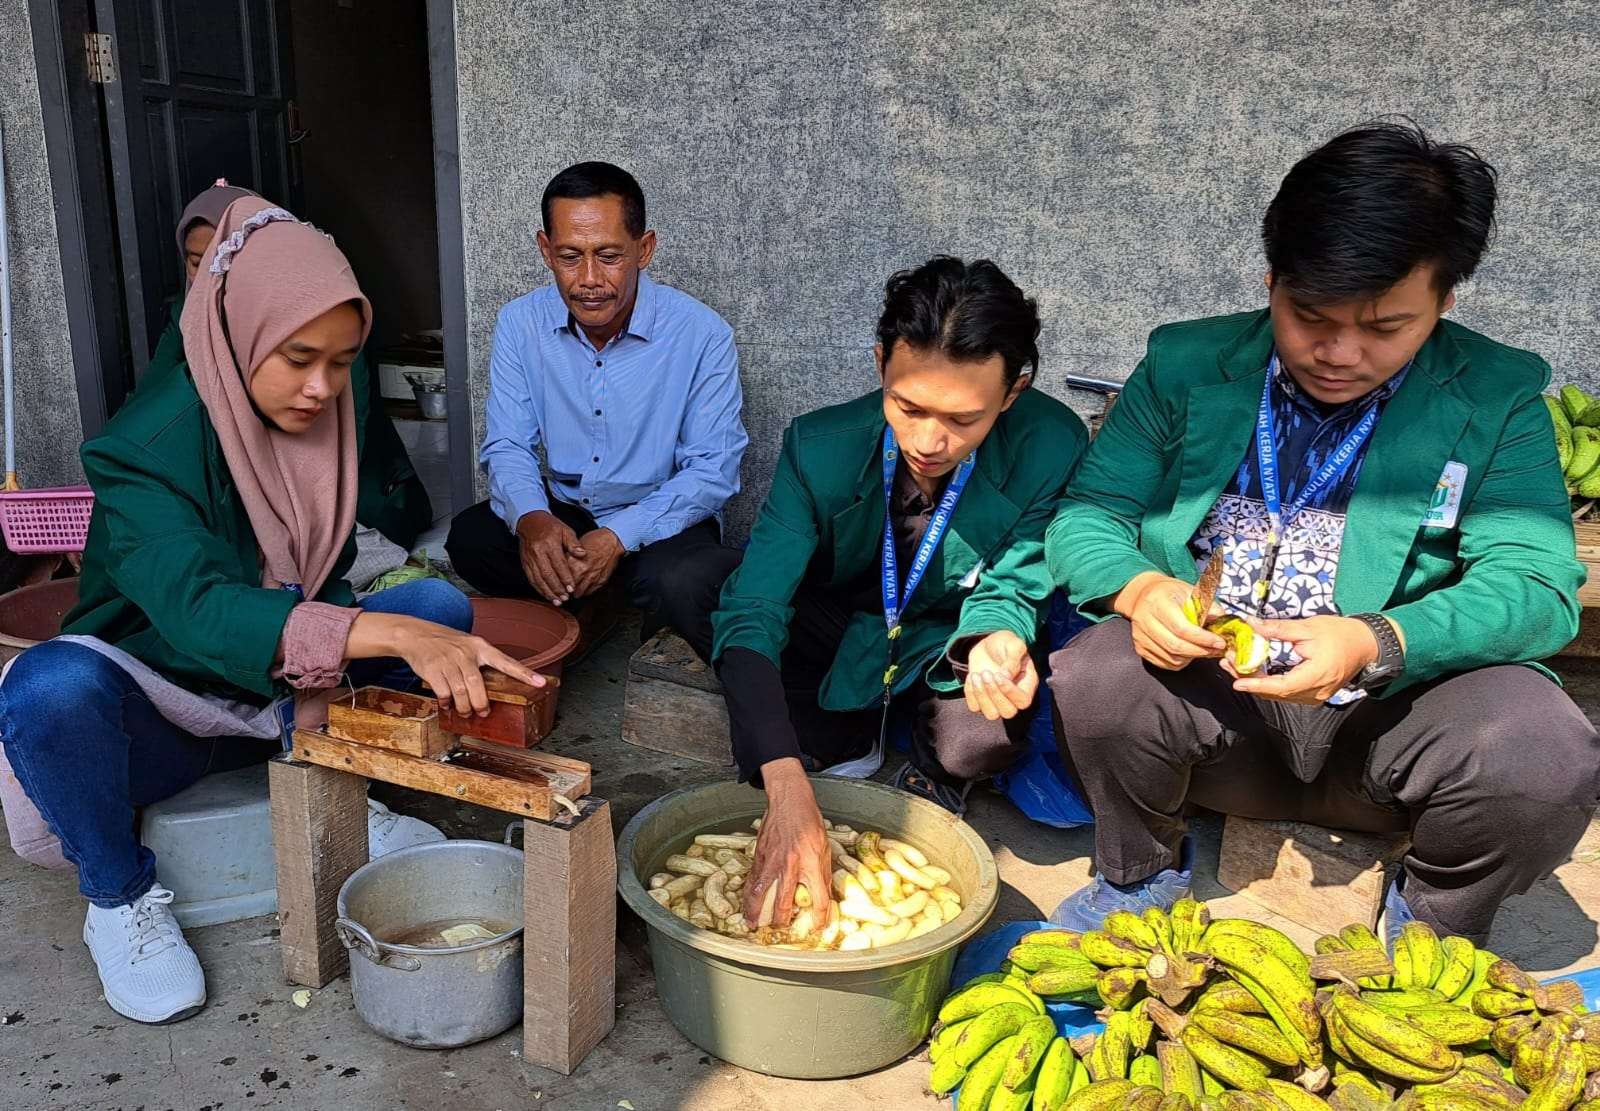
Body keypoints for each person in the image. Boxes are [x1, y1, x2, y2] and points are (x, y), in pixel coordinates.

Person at [1045, 121, 1600, 944]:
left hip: (1387, 726)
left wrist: (1375, 637)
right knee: (1098, 673)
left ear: (1445, 301)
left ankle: (1432, 927)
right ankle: (1139, 875)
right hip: (1220, 720)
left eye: (1385, 328)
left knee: (1543, 750)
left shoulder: (1496, 396)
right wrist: (1141, 589)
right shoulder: (1185, 365)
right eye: (1309, 315)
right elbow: (1088, 516)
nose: (1339, 352)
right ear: (1272, 279)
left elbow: (1538, 587)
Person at [0, 197, 542, 1025]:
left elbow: (323, 575)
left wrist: (407, 622)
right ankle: (120, 898)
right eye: (298, 358)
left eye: (343, 361)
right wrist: (388, 629)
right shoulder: (142, 448)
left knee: (436, 604)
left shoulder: (321, 421)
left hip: (284, 695)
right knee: (45, 685)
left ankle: (338, 782)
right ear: (238, 330)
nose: (322, 389)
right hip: (161, 712)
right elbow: (198, 611)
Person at [711, 256, 1087, 930]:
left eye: (963, 419)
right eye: (907, 406)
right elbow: (754, 609)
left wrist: (999, 636)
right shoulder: (819, 446)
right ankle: (841, 732)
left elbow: (1016, 576)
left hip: (948, 638)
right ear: (881, 361)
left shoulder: (1050, 444)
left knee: (979, 741)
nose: (928, 440)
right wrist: (784, 775)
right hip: (847, 625)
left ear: (1012, 392)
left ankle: (925, 756)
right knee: (703, 592)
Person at [445, 162, 746, 659]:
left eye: (608, 256)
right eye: (569, 256)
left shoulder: (701, 333)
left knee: (681, 580)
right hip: (569, 510)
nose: (588, 280)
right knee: (472, 539)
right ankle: (589, 591)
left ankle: (589, 593)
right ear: (545, 250)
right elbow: (508, 444)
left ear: (644, 250)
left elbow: (714, 469)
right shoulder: (521, 322)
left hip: (657, 520)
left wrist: (617, 538)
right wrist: (533, 519)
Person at [154, 180, 434, 550]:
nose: (211, 272)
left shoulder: (317, 313)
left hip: (331, 469)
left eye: (222, 255)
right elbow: (154, 392)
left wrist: (314, 489)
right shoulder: (190, 315)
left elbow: (356, 415)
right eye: (196, 262)